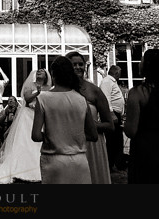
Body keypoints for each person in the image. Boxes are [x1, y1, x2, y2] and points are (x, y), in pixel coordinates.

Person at [0, 68, 51, 184]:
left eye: (42, 71)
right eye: (38, 71)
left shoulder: (49, 88)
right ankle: (21, 168)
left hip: (42, 117)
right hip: (29, 116)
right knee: (25, 142)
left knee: (40, 143)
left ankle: (40, 168)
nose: (40, 72)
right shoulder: (31, 85)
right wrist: (37, 92)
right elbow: (27, 99)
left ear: (46, 76)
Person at [31, 55, 98, 184]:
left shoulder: (43, 98)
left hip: (54, 160)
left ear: (52, 74)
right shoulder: (81, 99)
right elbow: (93, 135)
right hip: (79, 160)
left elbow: (35, 135)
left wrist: (50, 136)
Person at [124, 48, 159, 184]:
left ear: (148, 66)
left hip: (145, 150)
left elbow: (131, 131)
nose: (139, 63)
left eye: (142, 60)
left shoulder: (137, 93)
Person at [66, 51, 114, 184]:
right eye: (73, 64)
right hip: (68, 144)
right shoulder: (60, 91)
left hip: (92, 145)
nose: (78, 67)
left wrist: (91, 125)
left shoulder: (94, 91)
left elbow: (110, 125)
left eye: (80, 64)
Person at [100, 64, 126, 171]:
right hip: (112, 114)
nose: (120, 76)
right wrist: (112, 114)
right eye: (119, 74)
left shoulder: (112, 82)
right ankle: (110, 164)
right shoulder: (107, 81)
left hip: (116, 114)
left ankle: (118, 163)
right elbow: (106, 99)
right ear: (116, 73)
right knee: (112, 140)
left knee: (118, 140)